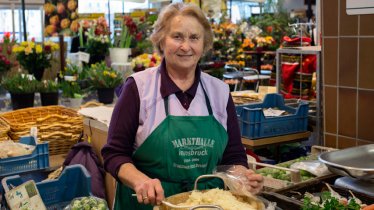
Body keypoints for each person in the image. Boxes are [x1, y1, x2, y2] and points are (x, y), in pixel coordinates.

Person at [101, 3, 263, 209]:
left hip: (206, 202)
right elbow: (114, 154)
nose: (186, 46)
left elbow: (233, 156)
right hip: (150, 203)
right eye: (177, 37)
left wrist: (243, 178)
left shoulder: (220, 92)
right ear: (161, 40)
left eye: (194, 38)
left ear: (204, 45)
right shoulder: (139, 88)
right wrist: (140, 180)